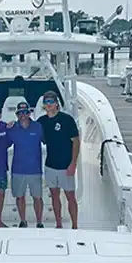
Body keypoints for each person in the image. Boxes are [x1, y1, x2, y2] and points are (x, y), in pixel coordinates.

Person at [38, 90, 80, 228]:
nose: (49, 104)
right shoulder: (41, 121)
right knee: (55, 197)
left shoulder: (67, 119)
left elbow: (76, 141)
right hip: (50, 165)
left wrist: (73, 164)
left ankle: (75, 226)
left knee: (70, 197)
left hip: (66, 166)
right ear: (44, 105)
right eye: (46, 102)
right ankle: (59, 224)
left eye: (51, 101)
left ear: (56, 104)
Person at [6, 101, 44, 228]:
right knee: (19, 197)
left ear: (29, 113)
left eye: (25, 112)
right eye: (20, 113)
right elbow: (3, 143)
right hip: (18, 169)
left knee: (37, 197)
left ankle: (39, 222)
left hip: (35, 170)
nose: (23, 115)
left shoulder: (38, 127)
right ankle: (23, 221)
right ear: (17, 115)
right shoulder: (12, 128)